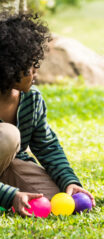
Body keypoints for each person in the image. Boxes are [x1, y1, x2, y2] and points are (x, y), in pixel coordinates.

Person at [0, 12, 95, 217]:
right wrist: (9, 195)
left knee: (53, 199)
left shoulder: (32, 99)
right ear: (9, 67)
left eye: (36, 64)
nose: (36, 73)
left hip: (9, 166)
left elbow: (47, 146)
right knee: (8, 135)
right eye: (30, 67)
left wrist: (70, 181)